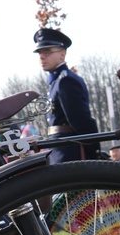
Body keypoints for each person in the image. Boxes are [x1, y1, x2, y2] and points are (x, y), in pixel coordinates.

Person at [34, 28, 100, 163]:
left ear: (62, 54)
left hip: (70, 153)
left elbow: (81, 122)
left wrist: (94, 152)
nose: (41, 56)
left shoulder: (66, 81)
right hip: (60, 151)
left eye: (47, 52)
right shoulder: (56, 81)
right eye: (40, 52)